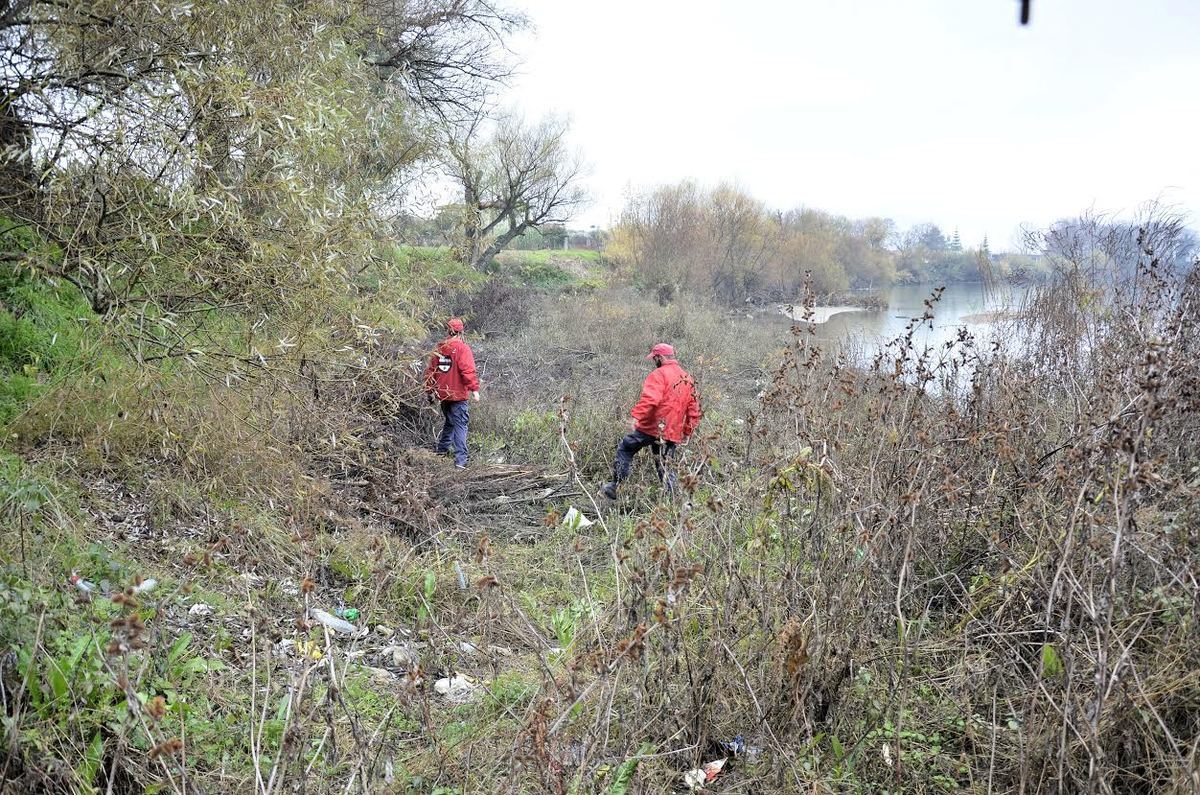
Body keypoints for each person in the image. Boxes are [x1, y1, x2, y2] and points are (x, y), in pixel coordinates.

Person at [602, 343, 701, 499]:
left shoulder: (659, 374)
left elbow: (651, 399)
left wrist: (636, 417)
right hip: (671, 431)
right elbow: (694, 410)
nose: (654, 361)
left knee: (626, 448)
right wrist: (688, 431)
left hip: (650, 427)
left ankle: (616, 487)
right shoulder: (687, 378)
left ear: (660, 357)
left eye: (655, 358)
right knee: (665, 466)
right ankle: (673, 501)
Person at [423, 318, 480, 469]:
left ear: (448, 330)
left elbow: (430, 371)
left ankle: (441, 451)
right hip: (458, 396)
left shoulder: (439, 348)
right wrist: (474, 389)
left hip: (443, 394)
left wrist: (430, 390)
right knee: (460, 425)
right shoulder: (462, 349)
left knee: (450, 421)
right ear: (461, 332)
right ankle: (461, 461)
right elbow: (467, 370)